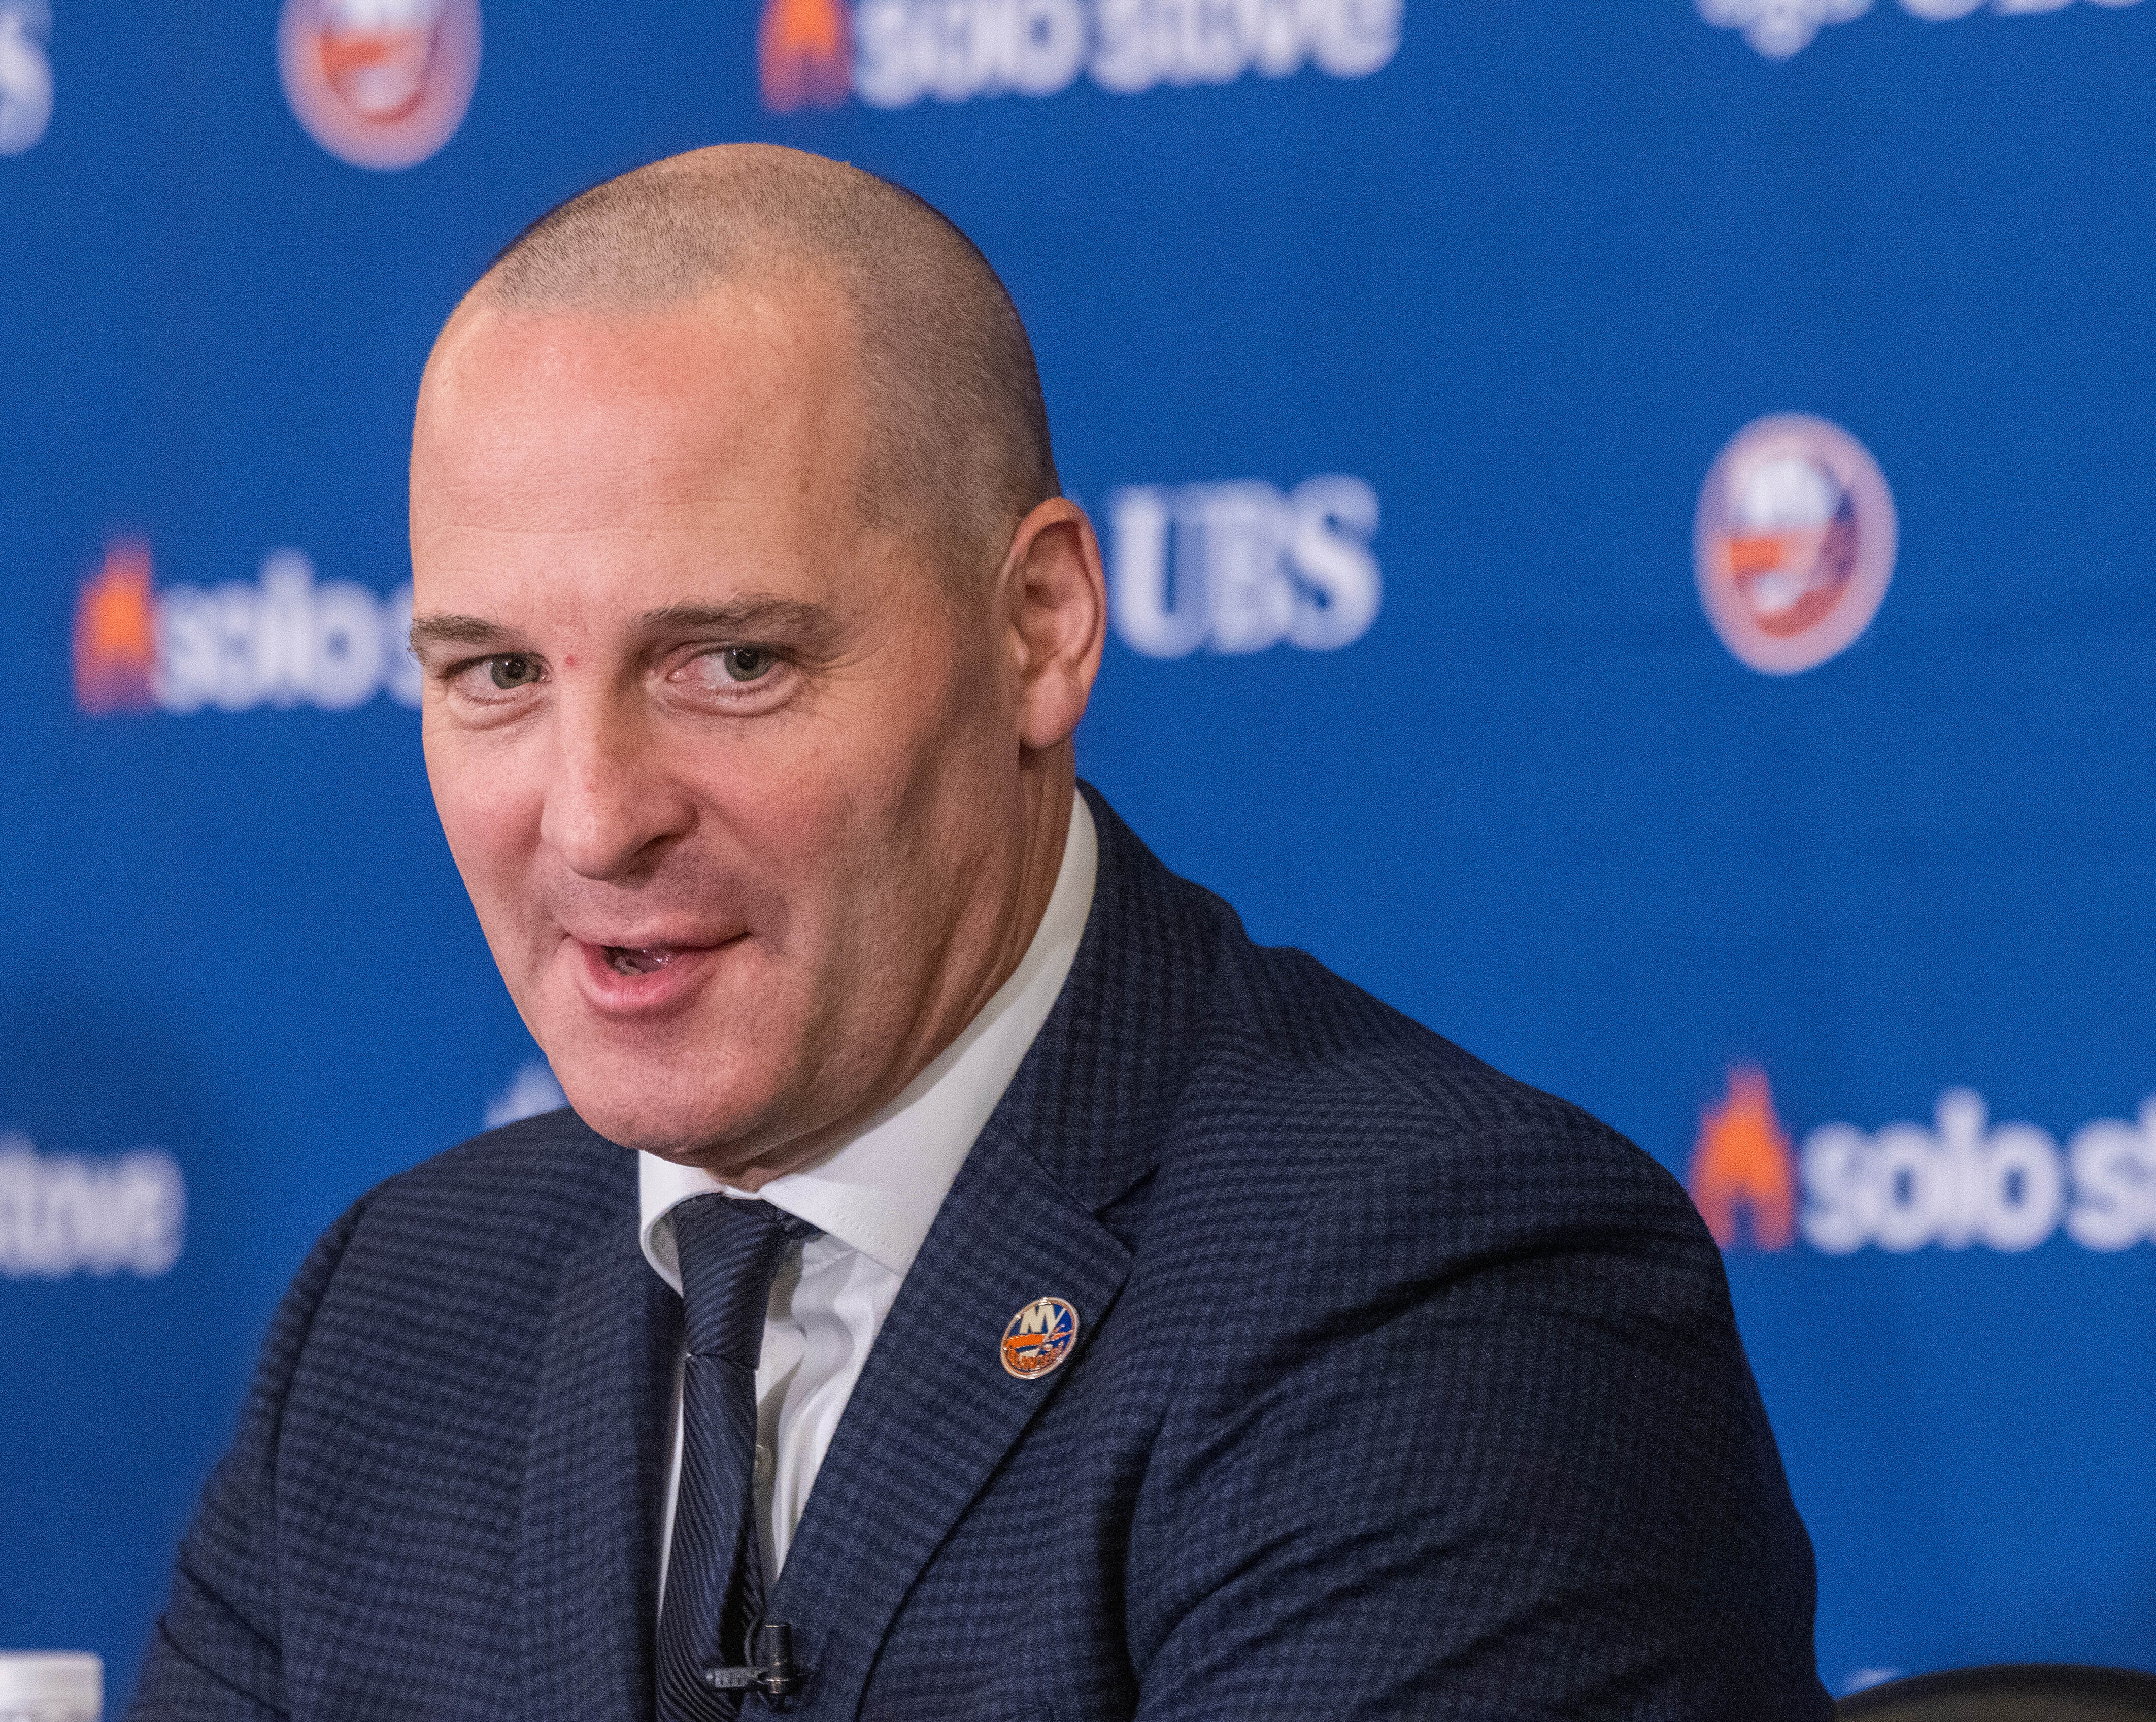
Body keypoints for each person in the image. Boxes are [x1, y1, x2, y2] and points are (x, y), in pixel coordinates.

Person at [129, 144, 1832, 1721]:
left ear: (1039, 630)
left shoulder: (1434, 1291)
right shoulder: (396, 1319)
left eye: (733, 662)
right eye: (497, 675)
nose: (592, 818)